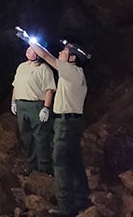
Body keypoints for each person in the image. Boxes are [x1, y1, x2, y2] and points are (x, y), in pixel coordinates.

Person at [29, 39, 91, 217]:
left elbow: (45, 55)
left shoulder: (71, 70)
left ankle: (65, 207)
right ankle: (82, 198)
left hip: (66, 123)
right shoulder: (78, 74)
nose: (60, 53)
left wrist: (28, 39)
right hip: (76, 121)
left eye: (64, 52)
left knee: (61, 162)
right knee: (75, 159)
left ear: (72, 58)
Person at [11, 45, 56, 175]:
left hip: (36, 105)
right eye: (28, 49)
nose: (28, 51)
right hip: (21, 104)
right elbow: (15, 85)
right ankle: (31, 166)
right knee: (26, 136)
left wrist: (46, 108)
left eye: (32, 50)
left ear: (38, 54)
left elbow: (49, 90)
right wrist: (13, 101)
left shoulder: (44, 69)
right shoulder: (21, 67)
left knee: (41, 137)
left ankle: (44, 168)